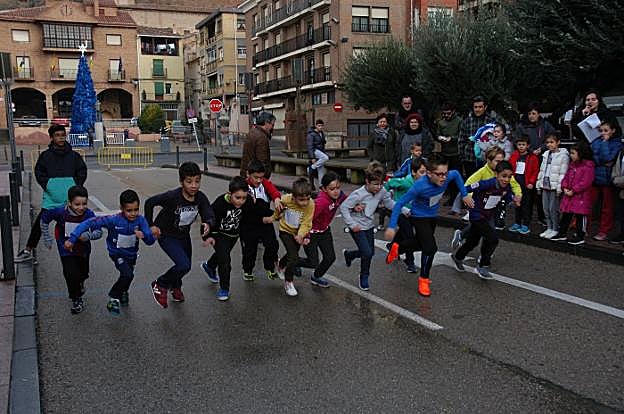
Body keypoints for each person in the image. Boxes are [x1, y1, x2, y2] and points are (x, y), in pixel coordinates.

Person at [385, 155, 473, 297]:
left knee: (421, 244)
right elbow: (399, 204)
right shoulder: (419, 186)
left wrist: (464, 194)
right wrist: (392, 226)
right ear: (429, 173)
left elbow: (456, 175)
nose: (444, 178)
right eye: (439, 174)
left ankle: (397, 248)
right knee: (430, 248)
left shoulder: (448, 176)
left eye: (445, 173)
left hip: (432, 216)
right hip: (419, 217)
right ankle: (423, 280)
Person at [66, 189, 155, 315]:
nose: (133, 213)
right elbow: (89, 222)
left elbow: (150, 242)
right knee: (128, 274)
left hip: (131, 255)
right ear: (122, 208)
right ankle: (113, 297)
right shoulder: (113, 220)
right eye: (129, 210)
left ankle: (124, 291)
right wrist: (73, 238)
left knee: (127, 275)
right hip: (117, 254)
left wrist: (146, 235)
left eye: (136, 210)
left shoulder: (141, 221)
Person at [146, 162, 215, 309]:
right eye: (189, 181)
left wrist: (208, 223)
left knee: (185, 266)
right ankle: (160, 284)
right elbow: (150, 202)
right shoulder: (172, 196)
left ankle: (175, 287)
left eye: (197, 181)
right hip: (166, 235)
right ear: (181, 182)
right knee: (183, 264)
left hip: (183, 235)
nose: (194, 185)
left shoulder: (200, 197)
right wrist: (150, 225)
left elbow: (207, 211)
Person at [15, 124, 87, 263]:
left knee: (74, 225)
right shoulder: (45, 156)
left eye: (63, 135)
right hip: (51, 199)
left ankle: (77, 254)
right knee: (39, 224)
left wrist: (75, 186)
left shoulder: (74, 156)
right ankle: (28, 250)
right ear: (52, 137)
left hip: (70, 200)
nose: (61, 138)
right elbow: (39, 172)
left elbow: (82, 171)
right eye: (57, 135)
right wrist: (48, 185)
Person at [450, 161, 520, 279]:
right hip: (477, 216)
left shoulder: (506, 187)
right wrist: (465, 197)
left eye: (509, 177)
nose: (506, 180)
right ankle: (483, 265)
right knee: (492, 239)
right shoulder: (486, 184)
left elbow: (508, 196)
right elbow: (465, 188)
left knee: (473, 241)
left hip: (487, 216)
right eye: (503, 176)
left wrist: (514, 199)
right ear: (496, 174)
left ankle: (458, 257)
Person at [40, 185, 101, 314]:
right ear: (69, 203)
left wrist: (88, 236)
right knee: (70, 273)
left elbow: (99, 232)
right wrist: (47, 238)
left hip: (83, 249)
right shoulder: (60, 212)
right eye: (77, 204)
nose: (81, 207)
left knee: (83, 273)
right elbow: (44, 219)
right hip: (65, 248)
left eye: (84, 204)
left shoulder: (89, 214)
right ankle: (76, 299)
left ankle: (81, 282)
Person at [340, 162, 396, 291]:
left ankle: (350, 254)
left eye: (381, 184)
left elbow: (389, 203)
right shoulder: (358, 194)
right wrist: (352, 224)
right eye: (375, 184)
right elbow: (344, 207)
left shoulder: (381, 191)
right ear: (367, 181)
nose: (378, 187)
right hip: (357, 227)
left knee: (370, 253)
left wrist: (404, 210)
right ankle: (364, 276)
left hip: (369, 226)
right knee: (367, 252)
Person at [296, 172, 347, 287]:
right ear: (324, 189)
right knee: (313, 262)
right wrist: (304, 235)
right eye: (332, 189)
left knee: (330, 257)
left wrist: (356, 205)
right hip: (311, 232)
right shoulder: (321, 202)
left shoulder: (339, 196)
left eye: (338, 187)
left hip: (324, 231)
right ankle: (293, 262)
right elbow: (307, 219)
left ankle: (316, 276)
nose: (336, 191)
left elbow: (346, 199)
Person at [201, 176, 248, 301]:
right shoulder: (220, 204)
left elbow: (256, 210)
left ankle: (209, 266)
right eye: (237, 197)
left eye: (244, 198)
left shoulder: (247, 201)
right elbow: (208, 219)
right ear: (230, 194)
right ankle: (224, 289)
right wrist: (208, 236)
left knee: (222, 254)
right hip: (219, 235)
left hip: (234, 235)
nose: (241, 201)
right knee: (225, 261)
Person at [237, 160, 282, 281]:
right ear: (248, 174)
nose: (258, 180)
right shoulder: (243, 187)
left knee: (272, 244)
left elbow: (273, 191)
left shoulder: (264, 183)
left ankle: (270, 267)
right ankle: (247, 270)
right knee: (249, 249)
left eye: (261, 177)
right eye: (255, 177)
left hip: (265, 220)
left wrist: (277, 199)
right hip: (248, 222)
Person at [271, 178, 314, 297]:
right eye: (301, 200)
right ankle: (288, 282)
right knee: (294, 257)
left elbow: (307, 222)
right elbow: (278, 207)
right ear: (294, 197)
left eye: (307, 198)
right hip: (285, 231)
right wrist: (275, 216)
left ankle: (280, 264)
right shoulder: (286, 199)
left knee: (292, 254)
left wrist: (301, 235)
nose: (305, 202)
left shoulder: (310, 204)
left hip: (298, 233)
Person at [384, 158, 427, 273]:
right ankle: (410, 261)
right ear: (413, 172)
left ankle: (392, 246)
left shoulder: (424, 184)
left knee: (403, 233)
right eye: (421, 172)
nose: (424, 175)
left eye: (426, 172)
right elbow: (389, 183)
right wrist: (384, 197)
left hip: (413, 213)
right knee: (409, 236)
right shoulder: (406, 182)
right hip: (400, 213)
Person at [551, 145, 595, 245]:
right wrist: (565, 187)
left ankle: (580, 236)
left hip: (581, 196)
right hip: (570, 194)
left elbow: (586, 182)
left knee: (580, 216)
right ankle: (562, 233)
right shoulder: (572, 165)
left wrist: (573, 190)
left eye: (573, 153)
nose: (571, 155)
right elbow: (566, 177)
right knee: (566, 215)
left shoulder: (588, 166)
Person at [590, 120, 623, 241]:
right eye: (601, 131)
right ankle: (583, 227)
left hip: (608, 179)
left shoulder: (617, 143)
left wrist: (604, 143)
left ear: (613, 131)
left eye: (606, 131)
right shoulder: (596, 141)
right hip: (595, 176)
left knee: (607, 207)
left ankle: (604, 230)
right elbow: (593, 156)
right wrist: (603, 161)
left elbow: (608, 157)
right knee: (589, 202)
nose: (603, 133)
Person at [536, 134, 569, 239]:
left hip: (554, 187)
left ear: (558, 142)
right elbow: (542, 170)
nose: (549, 144)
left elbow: (563, 173)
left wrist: (559, 188)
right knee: (545, 208)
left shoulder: (563, 156)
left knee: (553, 209)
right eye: (547, 142)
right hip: (545, 185)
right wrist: (538, 184)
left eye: (552, 142)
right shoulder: (546, 154)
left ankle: (555, 228)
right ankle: (549, 227)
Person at [458, 95, 499, 179]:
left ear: (485, 107)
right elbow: (461, 140)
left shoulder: (491, 121)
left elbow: (497, 138)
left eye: (480, 107)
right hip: (469, 158)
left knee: (486, 182)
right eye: (475, 107)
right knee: (471, 182)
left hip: (486, 159)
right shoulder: (466, 121)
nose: (477, 109)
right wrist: (462, 157)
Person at [508, 135, 539, 234]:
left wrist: (531, 182)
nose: (521, 146)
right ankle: (517, 222)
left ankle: (525, 224)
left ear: (528, 145)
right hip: (516, 183)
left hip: (526, 184)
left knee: (526, 205)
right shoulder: (514, 155)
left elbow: (535, 171)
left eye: (523, 144)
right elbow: (510, 167)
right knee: (517, 204)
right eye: (519, 144)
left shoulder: (533, 157)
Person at [435, 102, 463, 204]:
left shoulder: (459, 121)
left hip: (456, 152)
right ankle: (451, 197)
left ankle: (459, 198)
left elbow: (461, 135)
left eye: (448, 113)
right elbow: (438, 134)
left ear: (453, 112)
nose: (446, 115)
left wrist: (452, 138)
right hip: (445, 152)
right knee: (446, 176)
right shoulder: (441, 122)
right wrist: (440, 137)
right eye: (445, 113)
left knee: (457, 176)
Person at [240, 111, 276, 178]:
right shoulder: (262, 138)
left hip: (247, 174)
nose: (272, 127)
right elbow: (262, 160)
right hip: (256, 176)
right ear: (266, 123)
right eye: (272, 125)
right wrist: (264, 176)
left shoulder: (251, 132)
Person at [306, 119, 329, 186]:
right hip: (315, 151)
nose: (320, 127)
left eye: (321, 126)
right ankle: (313, 167)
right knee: (326, 158)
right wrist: (312, 157)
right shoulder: (311, 134)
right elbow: (310, 146)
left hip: (320, 152)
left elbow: (322, 143)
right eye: (319, 126)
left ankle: (321, 186)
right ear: (316, 126)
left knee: (321, 170)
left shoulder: (321, 133)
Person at [610, 144, 624, 244]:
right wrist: (615, 179)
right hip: (620, 188)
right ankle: (622, 234)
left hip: (621, 183)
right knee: (621, 214)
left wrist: (618, 180)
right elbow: (616, 167)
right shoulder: (621, 152)